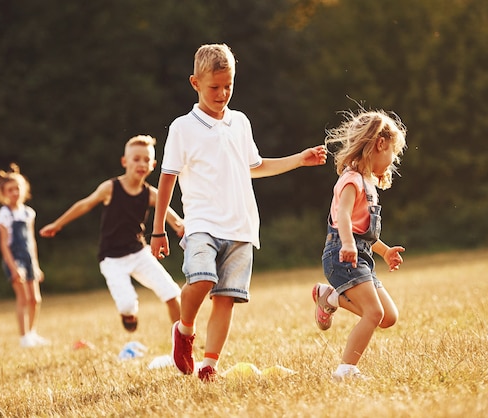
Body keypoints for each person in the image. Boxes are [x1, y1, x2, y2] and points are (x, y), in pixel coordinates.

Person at [150, 43, 328, 382]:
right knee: (201, 280)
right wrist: (158, 229)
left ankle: (209, 364)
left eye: (228, 85)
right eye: (214, 87)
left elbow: (255, 166)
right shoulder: (182, 128)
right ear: (195, 83)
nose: (222, 93)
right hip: (201, 223)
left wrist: (298, 159)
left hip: (242, 227)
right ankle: (184, 330)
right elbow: (167, 178)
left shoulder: (240, 122)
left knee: (226, 299)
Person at [39, 135, 184, 333]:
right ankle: (128, 314)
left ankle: (182, 341)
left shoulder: (152, 194)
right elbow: (85, 204)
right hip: (111, 258)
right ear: (125, 162)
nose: (141, 163)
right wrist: (57, 224)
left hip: (140, 253)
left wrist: (182, 228)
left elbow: (174, 220)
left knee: (172, 293)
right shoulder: (110, 188)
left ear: (153, 165)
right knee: (127, 306)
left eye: (146, 160)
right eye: (136, 159)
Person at [312, 109, 407, 381]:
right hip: (342, 255)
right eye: (393, 152)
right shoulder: (351, 180)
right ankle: (345, 370)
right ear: (380, 144)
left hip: (360, 256)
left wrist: (385, 251)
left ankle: (329, 297)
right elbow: (342, 215)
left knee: (388, 317)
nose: (393, 159)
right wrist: (346, 243)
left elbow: (363, 232)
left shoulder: (369, 184)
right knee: (373, 313)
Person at [0, 163, 49, 348]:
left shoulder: (28, 213)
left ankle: (32, 333)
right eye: (10, 190)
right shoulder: (4, 214)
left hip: (29, 258)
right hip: (14, 259)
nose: (14, 193)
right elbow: (4, 244)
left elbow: (31, 240)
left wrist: (36, 264)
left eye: (17, 188)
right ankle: (23, 337)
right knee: (23, 298)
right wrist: (13, 266)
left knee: (35, 299)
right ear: (3, 193)